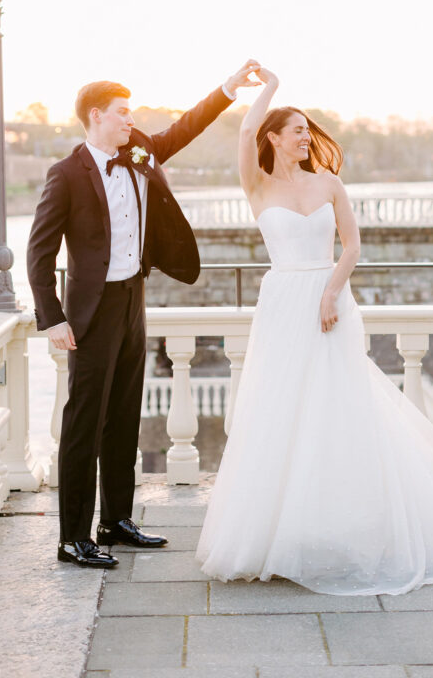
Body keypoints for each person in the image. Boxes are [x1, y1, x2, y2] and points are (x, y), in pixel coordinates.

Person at [196, 67, 433, 595]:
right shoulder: (258, 184)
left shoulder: (329, 182)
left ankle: (351, 521)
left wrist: (331, 292)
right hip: (283, 303)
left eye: (307, 131)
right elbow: (243, 133)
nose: (304, 137)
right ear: (275, 137)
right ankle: (284, 530)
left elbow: (353, 246)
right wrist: (266, 87)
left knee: (338, 406)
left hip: (328, 299)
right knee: (283, 408)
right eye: (295, 129)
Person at [27, 61, 260, 569]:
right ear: (96, 117)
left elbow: (186, 126)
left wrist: (227, 90)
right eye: (121, 112)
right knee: (83, 424)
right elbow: (38, 254)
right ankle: (73, 538)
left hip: (133, 298)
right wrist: (54, 317)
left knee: (124, 417)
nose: (129, 120)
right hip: (91, 311)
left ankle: (115, 521)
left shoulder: (140, 152)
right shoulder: (66, 175)